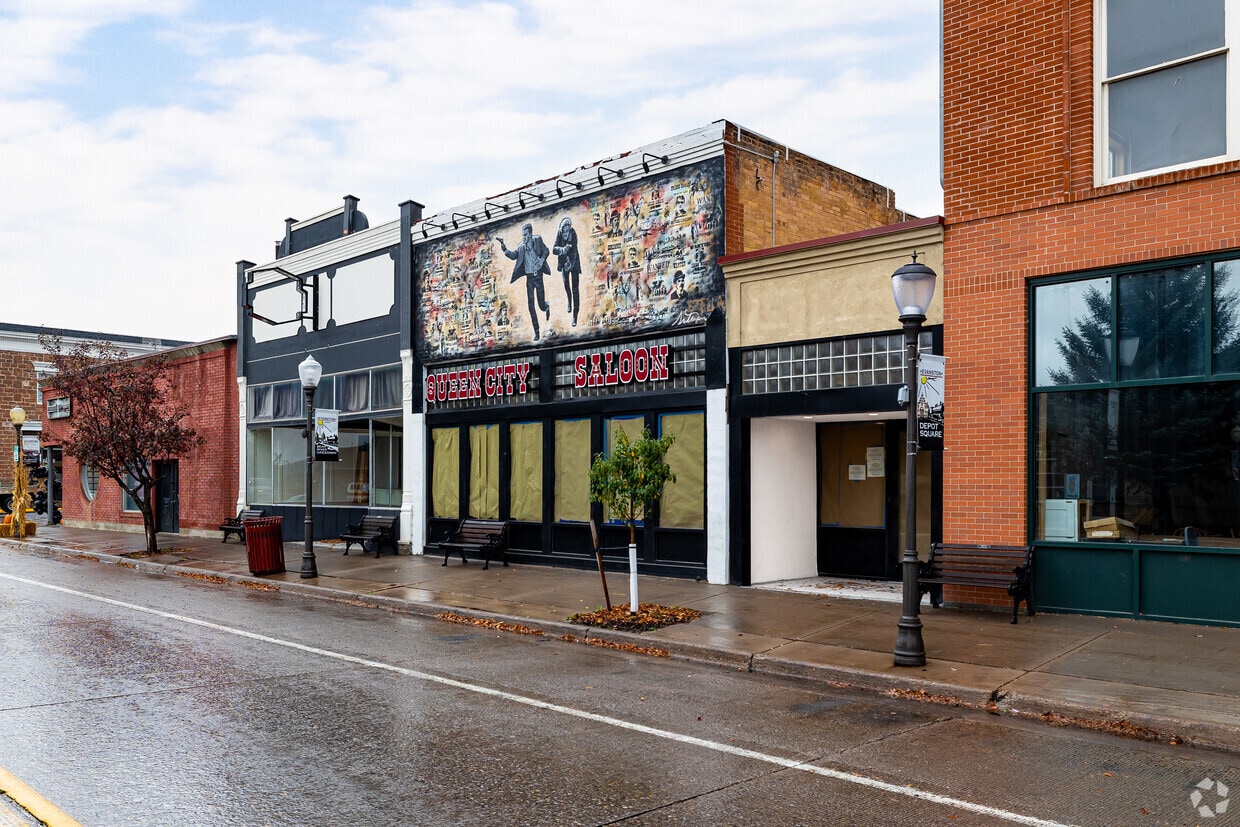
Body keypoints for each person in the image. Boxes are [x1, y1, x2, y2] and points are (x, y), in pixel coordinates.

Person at [497, 223, 551, 340]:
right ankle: (536, 332)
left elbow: (546, 250)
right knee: (531, 306)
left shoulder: (537, 240)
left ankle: (546, 307)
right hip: (530, 279)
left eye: (526, 235)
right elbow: (513, 255)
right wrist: (504, 248)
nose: (524, 237)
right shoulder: (521, 247)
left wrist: (542, 259)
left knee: (540, 304)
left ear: (530, 234)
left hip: (539, 276)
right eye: (523, 235)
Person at [553, 217, 582, 327]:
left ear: (569, 229)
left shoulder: (573, 234)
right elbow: (554, 249)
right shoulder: (559, 234)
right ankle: (569, 299)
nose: (565, 232)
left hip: (573, 262)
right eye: (563, 230)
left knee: (575, 289)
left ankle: (575, 315)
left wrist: (569, 263)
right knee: (566, 284)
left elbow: (574, 251)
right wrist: (562, 249)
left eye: (567, 230)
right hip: (563, 262)